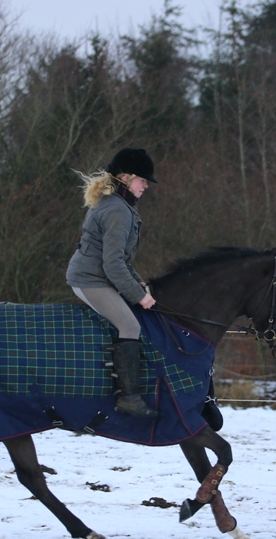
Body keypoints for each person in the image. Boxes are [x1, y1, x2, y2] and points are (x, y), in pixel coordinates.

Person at [66, 148, 159, 418]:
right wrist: (138, 296)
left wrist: (138, 283)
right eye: (143, 181)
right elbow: (113, 264)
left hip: (98, 275)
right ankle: (129, 399)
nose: (146, 187)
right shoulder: (118, 210)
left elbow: (121, 260)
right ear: (127, 178)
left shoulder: (119, 206)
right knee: (129, 325)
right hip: (89, 279)